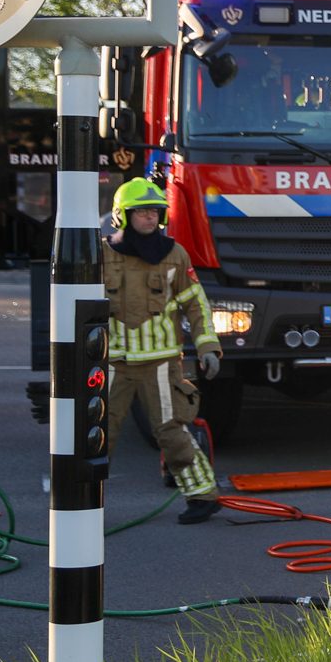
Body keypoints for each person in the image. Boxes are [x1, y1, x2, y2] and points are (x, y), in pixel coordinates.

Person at [101, 179, 225, 524]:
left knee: (172, 432)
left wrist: (208, 347)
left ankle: (203, 497)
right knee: (97, 433)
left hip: (161, 363)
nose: (150, 217)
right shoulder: (102, 254)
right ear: (122, 216)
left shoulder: (175, 255)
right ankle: (83, 503)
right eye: (141, 212)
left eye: (155, 211)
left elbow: (196, 305)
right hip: (113, 363)